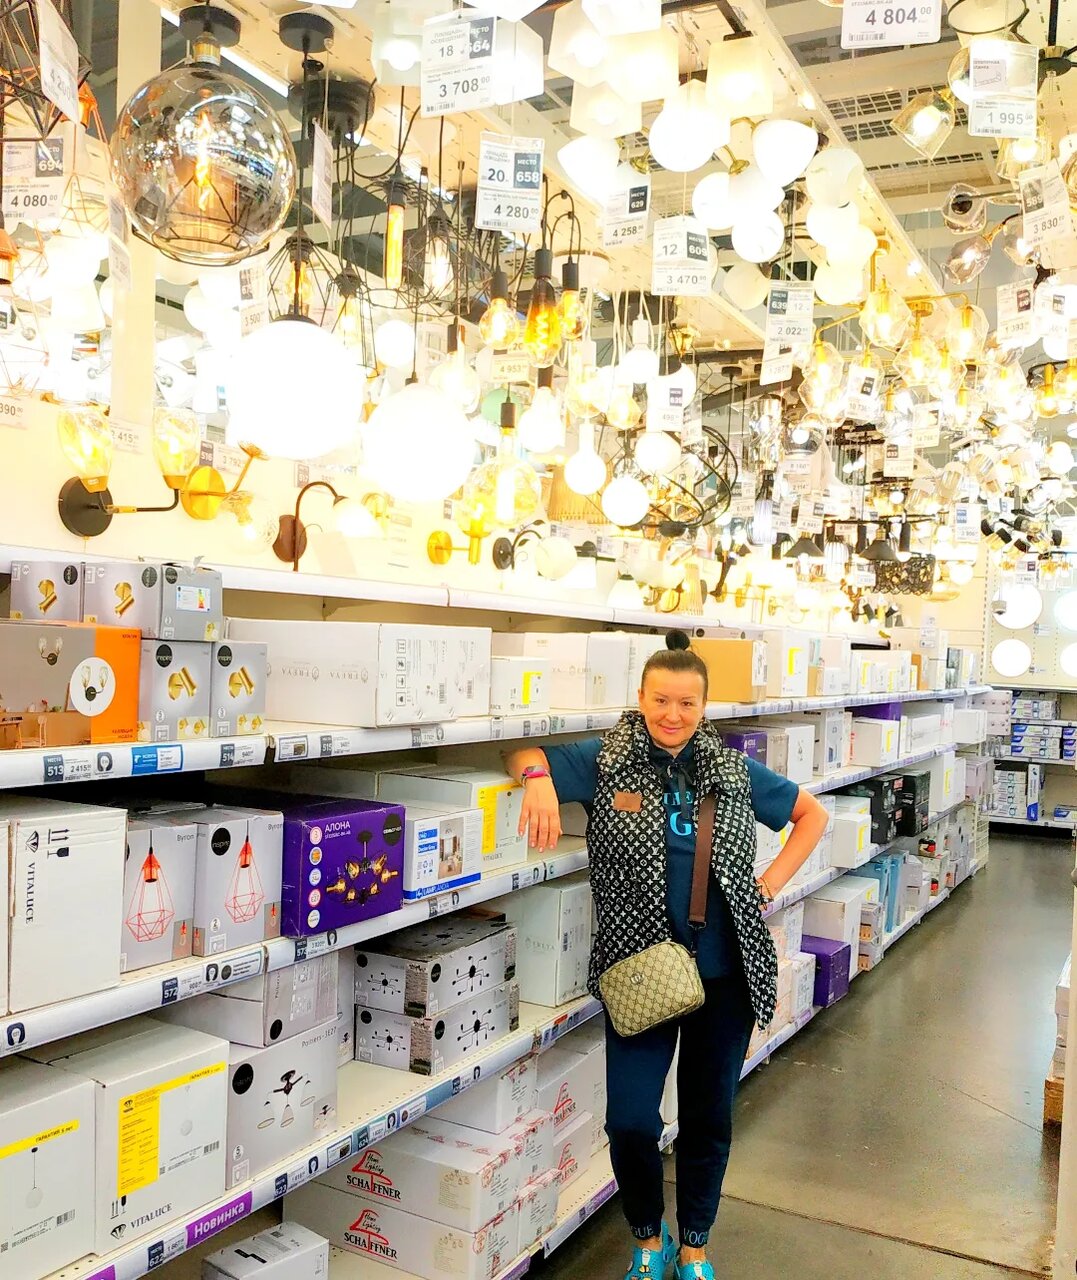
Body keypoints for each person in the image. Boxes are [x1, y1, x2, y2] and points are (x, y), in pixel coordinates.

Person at [505, 632, 829, 1280]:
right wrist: (537, 780)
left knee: (708, 1120)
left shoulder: (733, 771)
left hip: (725, 975)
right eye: (660, 700)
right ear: (641, 697)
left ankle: (695, 1247)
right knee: (629, 1120)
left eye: (686, 703)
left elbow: (810, 816)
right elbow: (522, 753)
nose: (672, 714)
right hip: (639, 973)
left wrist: (768, 886)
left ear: (703, 706)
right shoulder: (605, 760)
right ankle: (647, 1239)